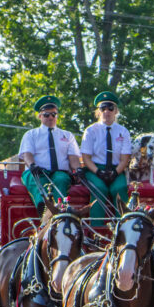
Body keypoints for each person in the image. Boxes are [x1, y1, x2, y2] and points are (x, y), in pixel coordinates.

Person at [19, 95, 83, 216]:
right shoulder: (31, 134)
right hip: (37, 171)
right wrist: (32, 165)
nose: (50, 117)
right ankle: (44, 209)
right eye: (46, 115)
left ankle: (62, 210)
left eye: (53, 114)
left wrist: (78, 168)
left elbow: (73, 157)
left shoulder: (67, 135)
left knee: (61, 179)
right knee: (37, 181)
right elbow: (27, 154)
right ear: (40, 116)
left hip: (59, 171)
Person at [80, 90, 132, 227]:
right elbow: (86, 158)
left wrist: (115, 173)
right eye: (103, 108)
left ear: (116, 111)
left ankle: (123, 227)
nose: (107, 111)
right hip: (95, 169)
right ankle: (96, 229)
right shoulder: (91, 131)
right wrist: (98, 172)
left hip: (116, 169)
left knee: (120, 188)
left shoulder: (123, 131)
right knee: (99, 189)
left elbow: (125, 158)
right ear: (98, 112)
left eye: (110, 108)